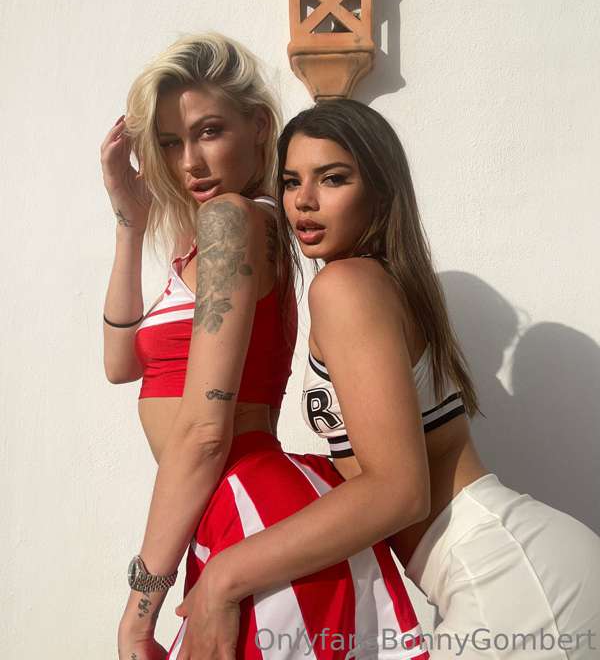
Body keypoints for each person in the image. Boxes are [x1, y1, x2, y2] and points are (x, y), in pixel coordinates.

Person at [100, 36, 429, 660]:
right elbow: (121, 365)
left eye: (209, 131)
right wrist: (130, 222)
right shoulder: (226, 233)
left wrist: (140, 609)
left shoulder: (232, 221)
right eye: (169, 142)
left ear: (257, 127)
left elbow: (205, 433)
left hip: (245, 501)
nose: (190, 161)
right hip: (224, 508)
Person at [267, 98, 599, 659]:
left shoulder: (345, 286)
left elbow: (397, 490)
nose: (304, 200)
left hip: (508, 577)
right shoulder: (385, 285)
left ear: (380, 190)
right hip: (504, 568)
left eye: (333, 178)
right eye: (291, 181)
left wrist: (228, 573)